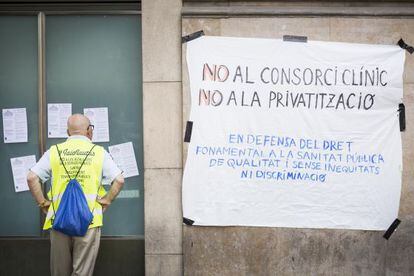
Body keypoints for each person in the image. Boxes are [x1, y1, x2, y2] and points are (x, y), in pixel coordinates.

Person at [27, 114, 124, 276]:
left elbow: (31, 177)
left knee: (60, 272)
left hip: (59, 219)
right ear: (89, 131)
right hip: (89, 220)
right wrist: (107, 200)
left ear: (68, 132)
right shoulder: (98, 152)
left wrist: (43, 203)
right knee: (82, 272)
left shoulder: (55, 151)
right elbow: (119, 180)